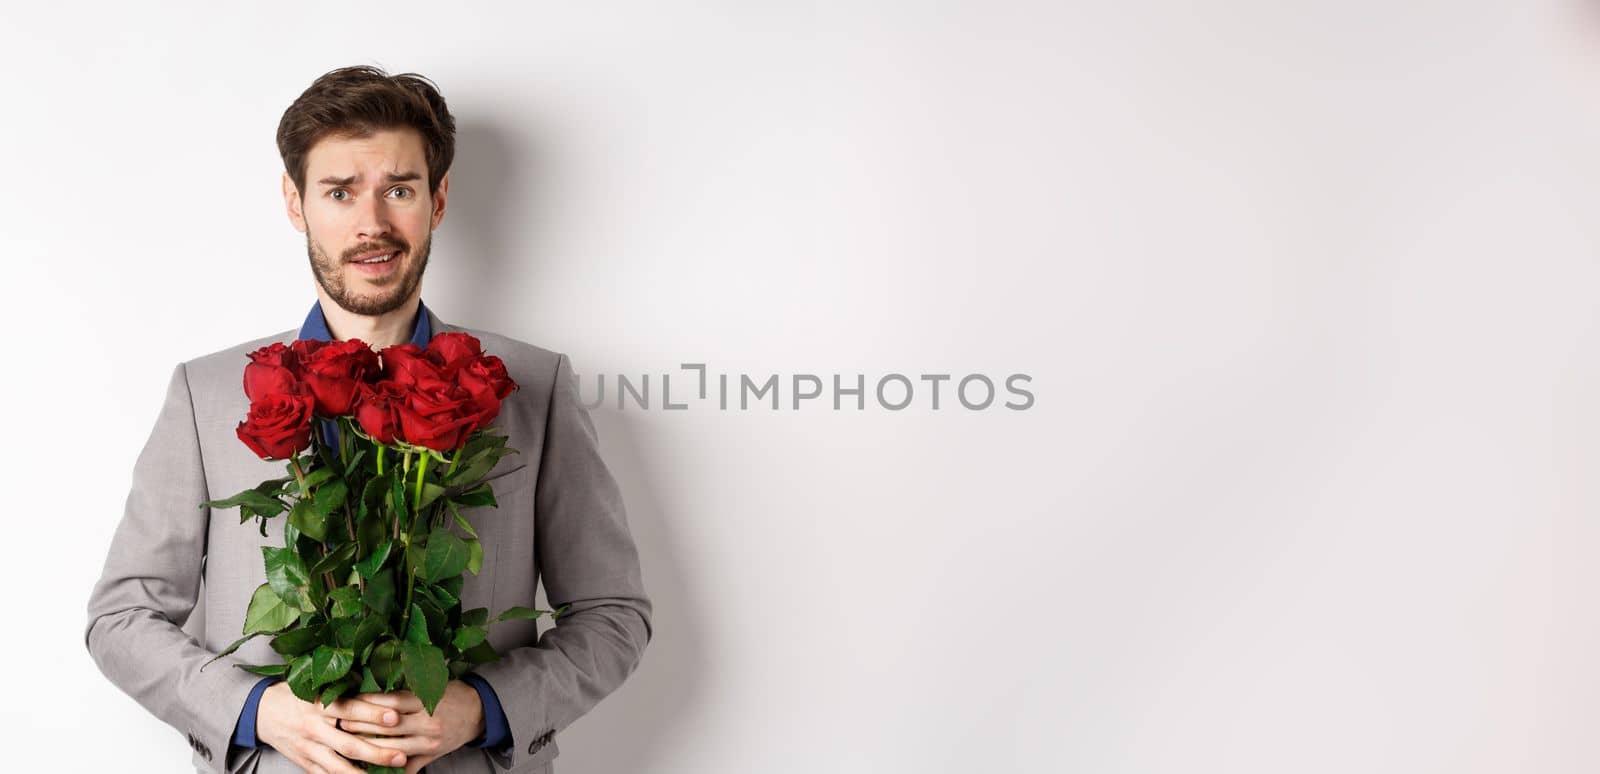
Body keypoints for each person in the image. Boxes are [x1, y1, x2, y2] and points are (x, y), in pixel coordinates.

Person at [83, 65, 653, 774]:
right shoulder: (207, 393)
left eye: (399, 190)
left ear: (438, 200)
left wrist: (482, 707)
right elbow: (122, 619)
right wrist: (257, 712)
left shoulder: (534, 385)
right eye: (340, 191)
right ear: (295, 202)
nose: (372, 224)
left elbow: (613, 613)